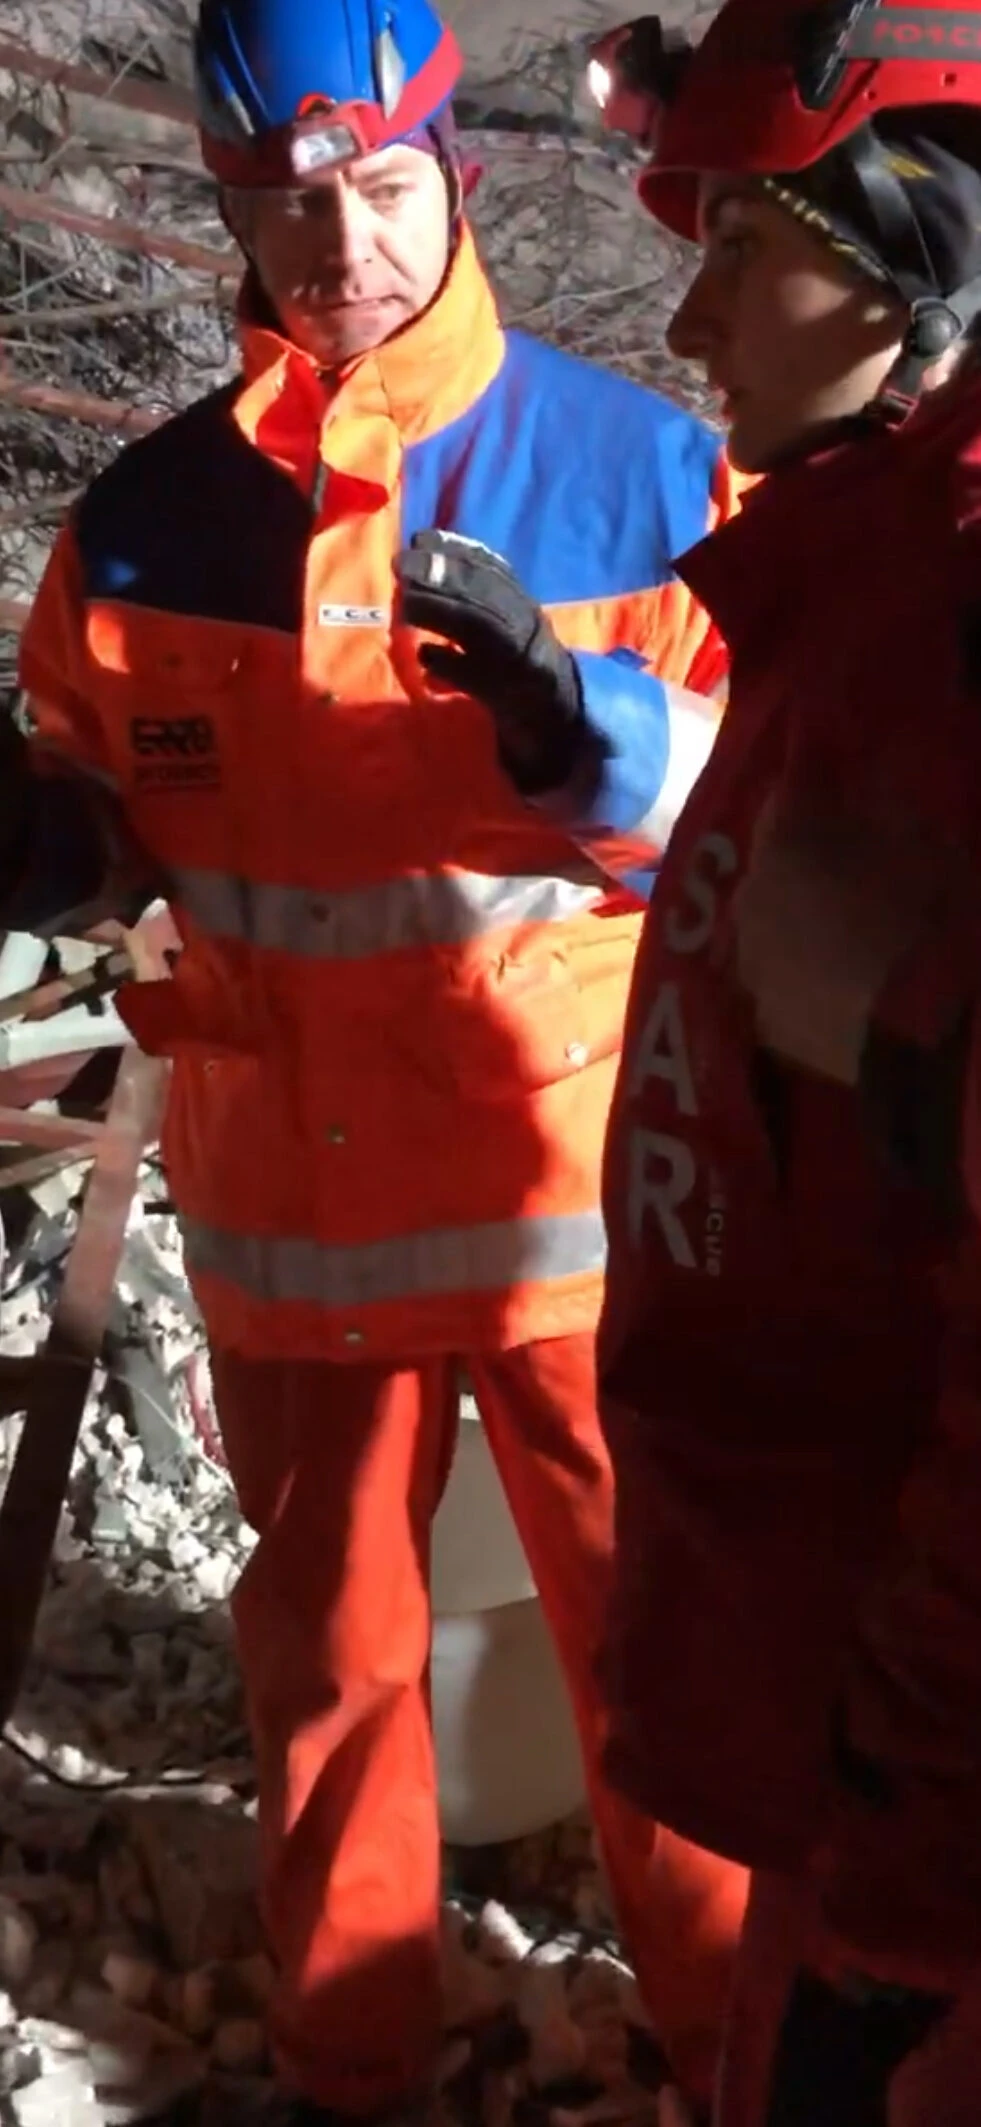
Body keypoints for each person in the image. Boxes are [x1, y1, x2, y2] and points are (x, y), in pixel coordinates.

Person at [0, 0, 751, 2115]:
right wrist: (58, 843)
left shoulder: (643, 481)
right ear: (234, 206)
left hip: (582, 1225)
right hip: (295, 1233)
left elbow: (776, 820)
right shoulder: (141, 539)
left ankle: (734, 2034)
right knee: (329, 1666)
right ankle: (350, 2063)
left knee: (664, 1666)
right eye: (289, 202)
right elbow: (92, 784)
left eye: (386, 186)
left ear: (461, 173)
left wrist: (590, 742)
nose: (343, 245)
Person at [559, 0, 981, 2117]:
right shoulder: (861, 589)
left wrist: (923, 1870)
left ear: (933, 269)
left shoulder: (950, 642)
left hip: (917, 1818)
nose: (692, 301)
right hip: (826, 1727)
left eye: (749, 239)